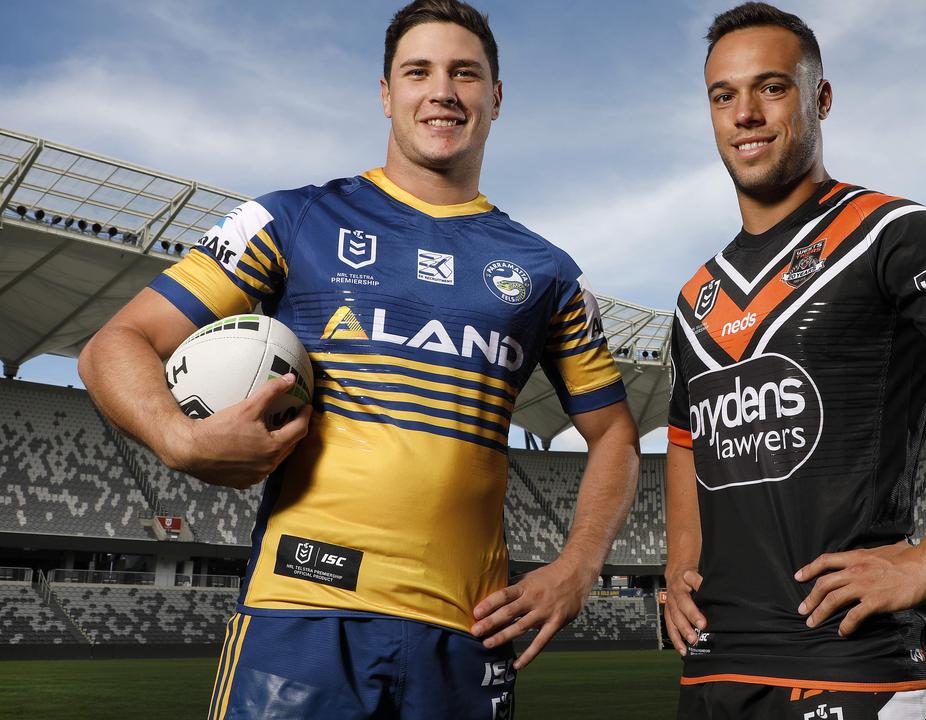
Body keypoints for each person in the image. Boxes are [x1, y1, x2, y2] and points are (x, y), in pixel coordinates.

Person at [78, 1, 640, 718]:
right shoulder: (292, 220)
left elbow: (616, 434)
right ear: (386, 93)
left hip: (465, 630)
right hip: (300, 610)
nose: (442, 90)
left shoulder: (547, 271)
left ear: (495, 97)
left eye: (465, 73)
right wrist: (177, 436)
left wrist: (580, 565)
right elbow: (115, 345)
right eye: (419, 71)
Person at [662, 3, 926, 718]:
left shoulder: (895, 234)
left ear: (820, 98)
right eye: (723, 96)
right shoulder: (696, 295)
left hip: (852, 659)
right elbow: (687, 436)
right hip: (716, 666)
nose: (746, 114)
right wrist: (679, 563)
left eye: (772, 87)